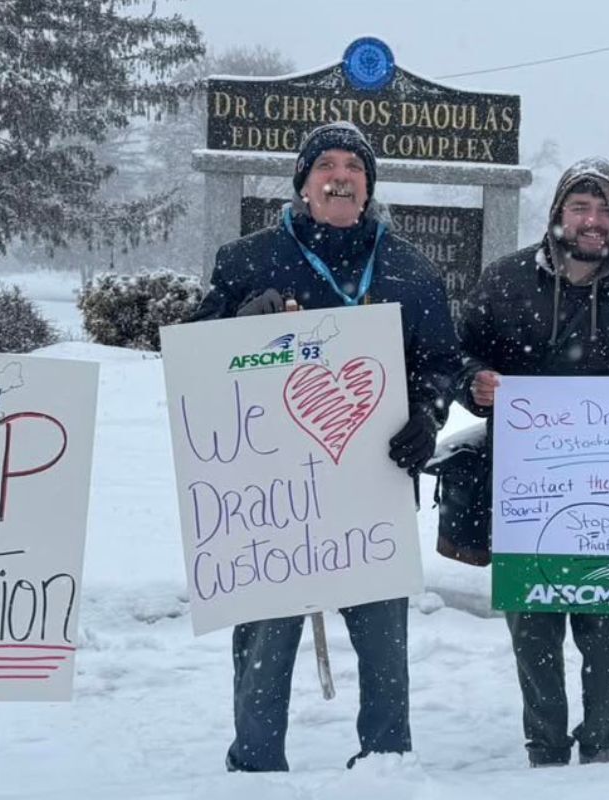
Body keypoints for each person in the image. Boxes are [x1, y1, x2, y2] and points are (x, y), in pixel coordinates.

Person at [190, 121, 461, 772]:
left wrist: (426, 412)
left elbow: (440, 362)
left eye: (355, 167)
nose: (340, 175)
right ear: (302, 183)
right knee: (266, 634)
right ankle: (254, 765)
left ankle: (387, 761)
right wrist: (239, 324)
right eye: (326, 165)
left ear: (369, 187)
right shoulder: (248, 260)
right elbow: (196, 360)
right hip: (270, 496)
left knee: (383, 642)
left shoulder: (408, 270)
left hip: (369, 490)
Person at [455, 157, 609, 767]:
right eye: (581, 207)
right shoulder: (505, 282)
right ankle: (545, 749)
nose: (594, 220)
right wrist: (472, 382)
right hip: (527, 499)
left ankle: (603, 743)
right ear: (558, 213)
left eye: (606, 209)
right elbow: (459, 353)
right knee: (533, 634)